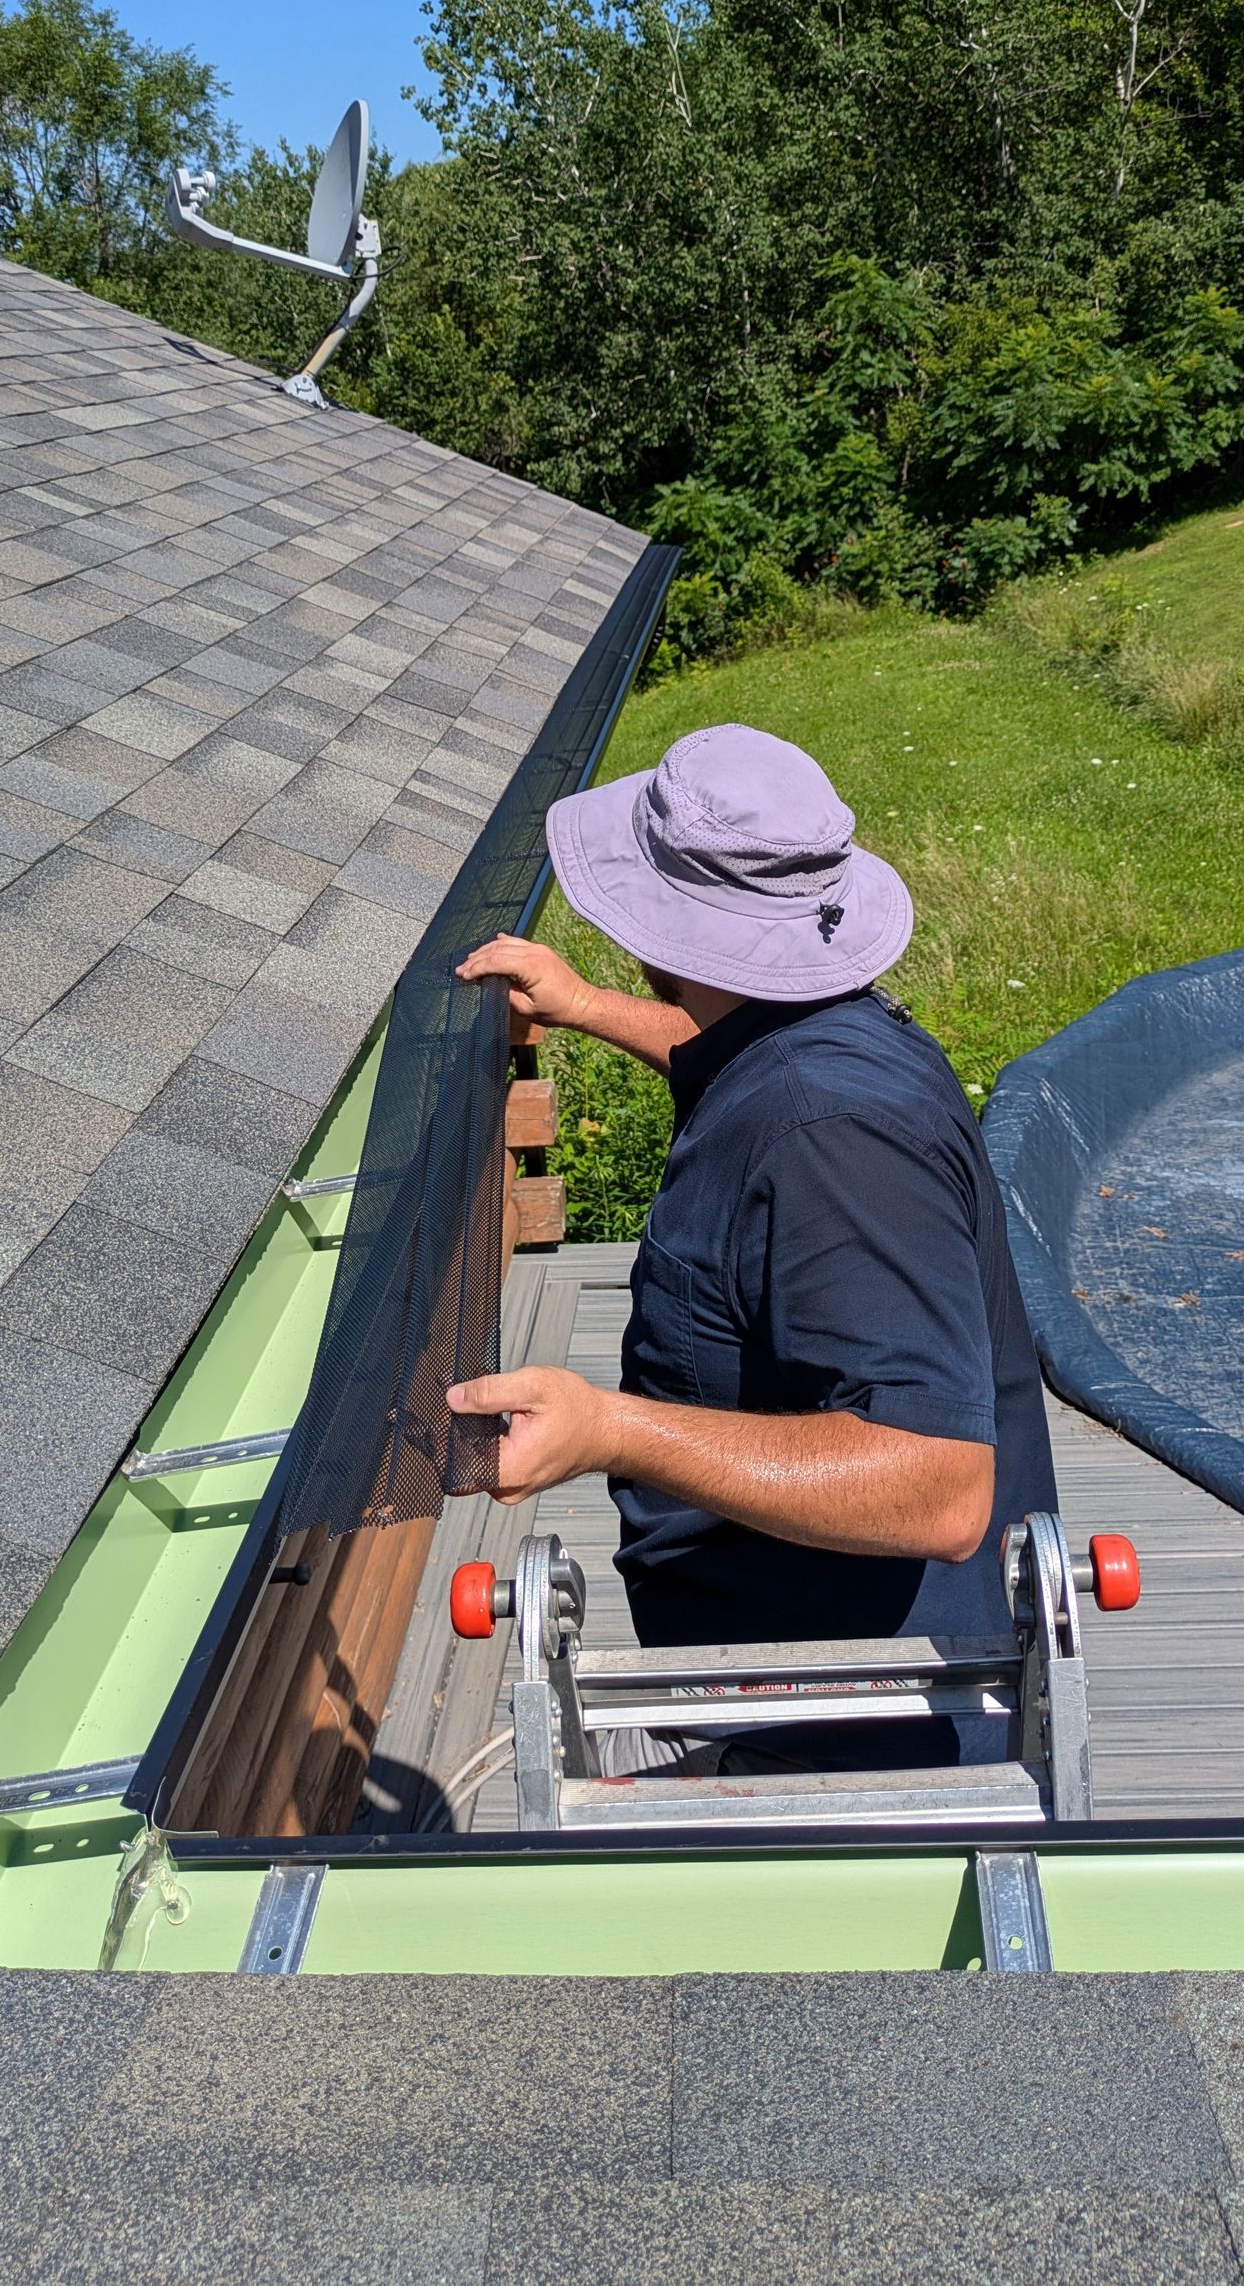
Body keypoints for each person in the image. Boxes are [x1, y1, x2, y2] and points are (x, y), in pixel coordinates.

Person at [448, 722, 1056, 1770]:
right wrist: (585, 1005)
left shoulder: (836, 1141)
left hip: (861, 1731)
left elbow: (941, 1485)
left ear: (667, 927)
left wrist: (611, 1429)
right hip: (813, 1675)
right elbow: (736, 1055)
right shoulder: (812, 1032)